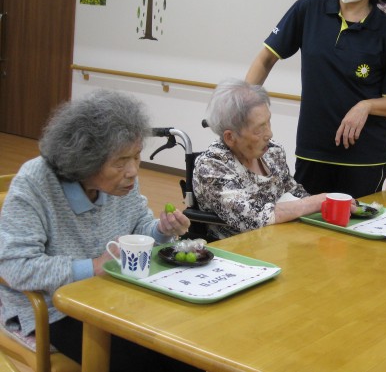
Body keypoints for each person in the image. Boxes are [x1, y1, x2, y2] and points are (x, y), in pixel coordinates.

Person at [0, 89, 196, 372]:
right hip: (56, 308)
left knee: (183, 342)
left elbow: (139, 229)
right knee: (146, 361)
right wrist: (92, 267)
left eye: (137, 157)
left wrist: (161, 230)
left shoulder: (123, 182)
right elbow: (15, 266)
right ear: (85, 161)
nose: (133, 171)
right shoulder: (35, 183)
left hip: (113, 295)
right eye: (120, 161)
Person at [245, 0, 386, 198]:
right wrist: (243, 107)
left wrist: (367, 105)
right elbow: (266, 58)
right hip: (313, 151)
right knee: (305, 222)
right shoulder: (308, 10)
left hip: (363, 160)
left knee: (354, 224)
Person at [193, 78, 328, 240]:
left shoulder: (273, 152)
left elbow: (294, 192)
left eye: (268, 122)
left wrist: (332, 204)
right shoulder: (212, 165)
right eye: (258, 130)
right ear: (230, 137)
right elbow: (253, 218)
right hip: (239, 247)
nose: (269, 134)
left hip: (283, 238)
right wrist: (315, 202)